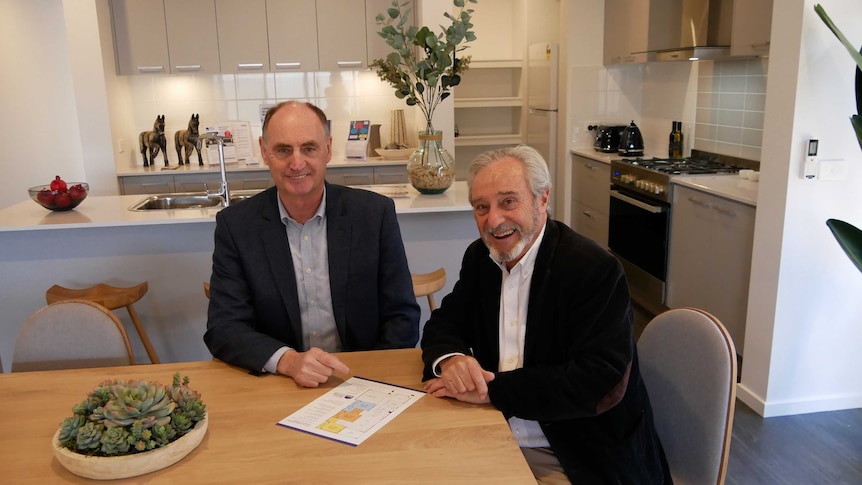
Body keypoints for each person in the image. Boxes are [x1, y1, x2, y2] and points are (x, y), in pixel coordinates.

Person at [420, 145, 671, 484]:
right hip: (497, 434)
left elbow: (598, 381)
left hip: (578, 453)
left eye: (508, 201)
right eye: (481, 207)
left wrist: (493, 391)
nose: (493, 220)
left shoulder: (593, 269)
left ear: (542, 199)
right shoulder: (481, 259)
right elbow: (444, 322)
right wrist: (452, 360)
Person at [205, 101, 420, 387]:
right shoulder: (237, 226)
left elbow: (401, 315)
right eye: (283, 150)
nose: (297, 163)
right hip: (280, 382)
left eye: (309, 148)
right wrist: (287, 361)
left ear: (328, 149)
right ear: (265, 151)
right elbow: (224, 328)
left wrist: (370, 377)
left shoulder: (373, 214)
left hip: (363, 379)